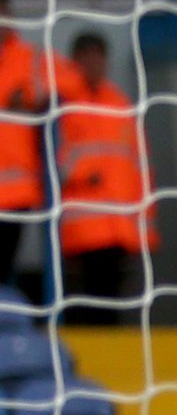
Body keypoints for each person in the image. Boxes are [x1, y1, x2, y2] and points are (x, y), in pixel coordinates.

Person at [54, 32, 156, 326]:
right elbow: (54, 157)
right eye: (85, 56)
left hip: (120, 225)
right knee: (87, 300)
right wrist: (85, 173)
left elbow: (139, 167)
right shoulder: (64, 103)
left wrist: (146, 226)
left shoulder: (121, 105)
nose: (93, 63)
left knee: (113, 300)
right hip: (82, 225)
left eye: (98, 56)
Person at [0, 0, 49, 294]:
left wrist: (32, 100)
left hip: (15, 191)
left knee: (5, 269)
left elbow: (67, 83)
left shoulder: (30, 59)